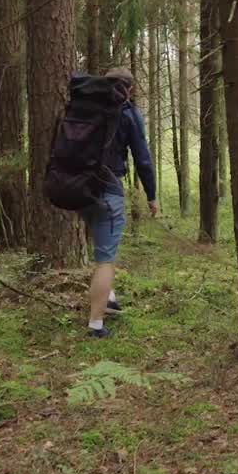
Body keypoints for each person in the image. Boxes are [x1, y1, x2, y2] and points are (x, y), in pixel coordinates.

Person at [83, 69, 159, 339]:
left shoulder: (86, 108)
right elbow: (143, 160)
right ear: (130, 88)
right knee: (106, 259)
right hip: (108, 190)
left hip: (80, 190)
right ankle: (96, 324)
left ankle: (109, 298)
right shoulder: (127, 114)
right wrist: (151, 196)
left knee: (101, 247)